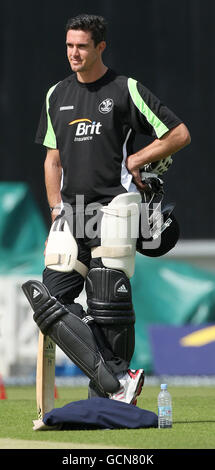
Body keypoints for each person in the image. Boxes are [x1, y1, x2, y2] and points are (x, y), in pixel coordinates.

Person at [24, 14, 190, 402]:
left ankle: (109, 392)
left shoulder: (125, 89)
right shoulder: (56, 95)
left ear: (100, 47)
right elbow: (52, 160)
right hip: (71, 212)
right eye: (69, 46)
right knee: (50, 303)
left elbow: (178, 133)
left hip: (115, 208)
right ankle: (118, 379)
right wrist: (53, 210)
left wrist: (137, 160)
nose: (74, 53)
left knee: (108, 301)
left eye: (82, 46)